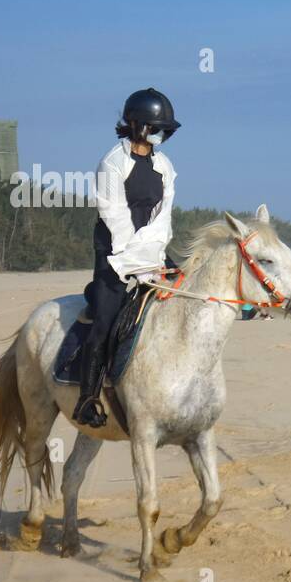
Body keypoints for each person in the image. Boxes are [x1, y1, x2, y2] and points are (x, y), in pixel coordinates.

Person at [74, 88, 181, 427]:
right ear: (135, 126)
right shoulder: (112, 163)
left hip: (152, 248)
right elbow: (114, 216)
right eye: (153, 127)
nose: (158, 134)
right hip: (115, 255)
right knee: (105, 324)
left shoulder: (164, 166)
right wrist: (136, 264)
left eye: (162, 128)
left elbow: (163, 215)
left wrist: (158, 256)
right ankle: (87, 399)